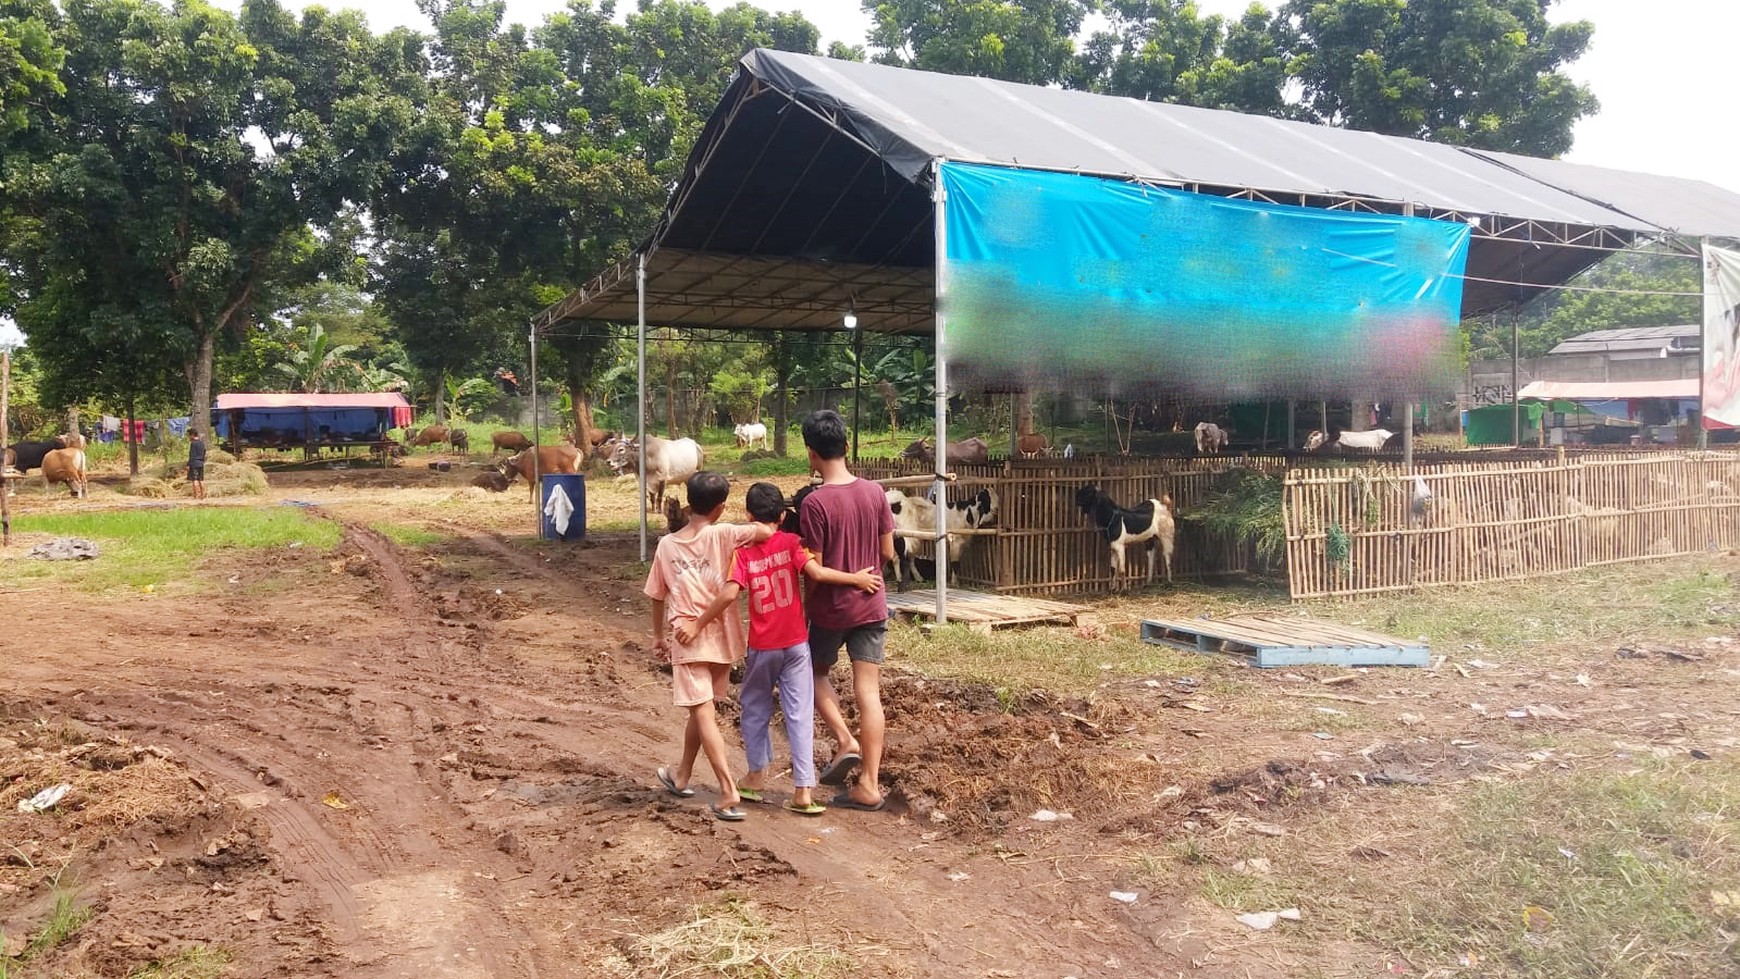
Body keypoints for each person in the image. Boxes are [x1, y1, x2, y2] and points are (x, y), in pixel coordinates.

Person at [684, 482, 882, 816]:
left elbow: (732, 593)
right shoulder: (793, 544)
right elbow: (816, 572)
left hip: (763, 647)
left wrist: (699, 623)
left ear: (748, 515)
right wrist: (856, 580)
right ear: (783, 515)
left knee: (755, 707)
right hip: (795, 645)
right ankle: (803, 791)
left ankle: (756, 776)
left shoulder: (743, 554)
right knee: (799, 713)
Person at [644, 471, 771, 822]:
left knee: (702, 713)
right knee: (702, 712)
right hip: (723, 637)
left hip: (688, 636)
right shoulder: (725, 534)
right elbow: (765, 531)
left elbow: (657, 595)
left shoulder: (667, 545)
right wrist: (736, 527)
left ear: (688, 501)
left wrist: (658, 636)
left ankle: (728, 788)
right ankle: (682, 774)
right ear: (720, 507)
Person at [798, 410, 896, 811]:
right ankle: (869, 784)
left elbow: (815, 570)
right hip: (872, 605)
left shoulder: (815, 504)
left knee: (812, 673)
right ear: (846, 446)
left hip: (829, 611)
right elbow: (888, 551)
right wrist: (867, 579)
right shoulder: (875, 492)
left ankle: (844, 739)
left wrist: (808, 607)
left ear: (811, 454)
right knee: (868, 692)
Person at [186, 430, 207, 501]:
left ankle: (196, 496)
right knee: (201, 479)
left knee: (194, 479)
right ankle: (202, 495)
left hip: (194, 463)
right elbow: (204, 452)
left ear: (192, 435)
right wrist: (203, 460)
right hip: (201, 462)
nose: (188, 437)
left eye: (189, 435)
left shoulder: (193, 443)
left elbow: (192, 455)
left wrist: (188, 464)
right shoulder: (202, 443)